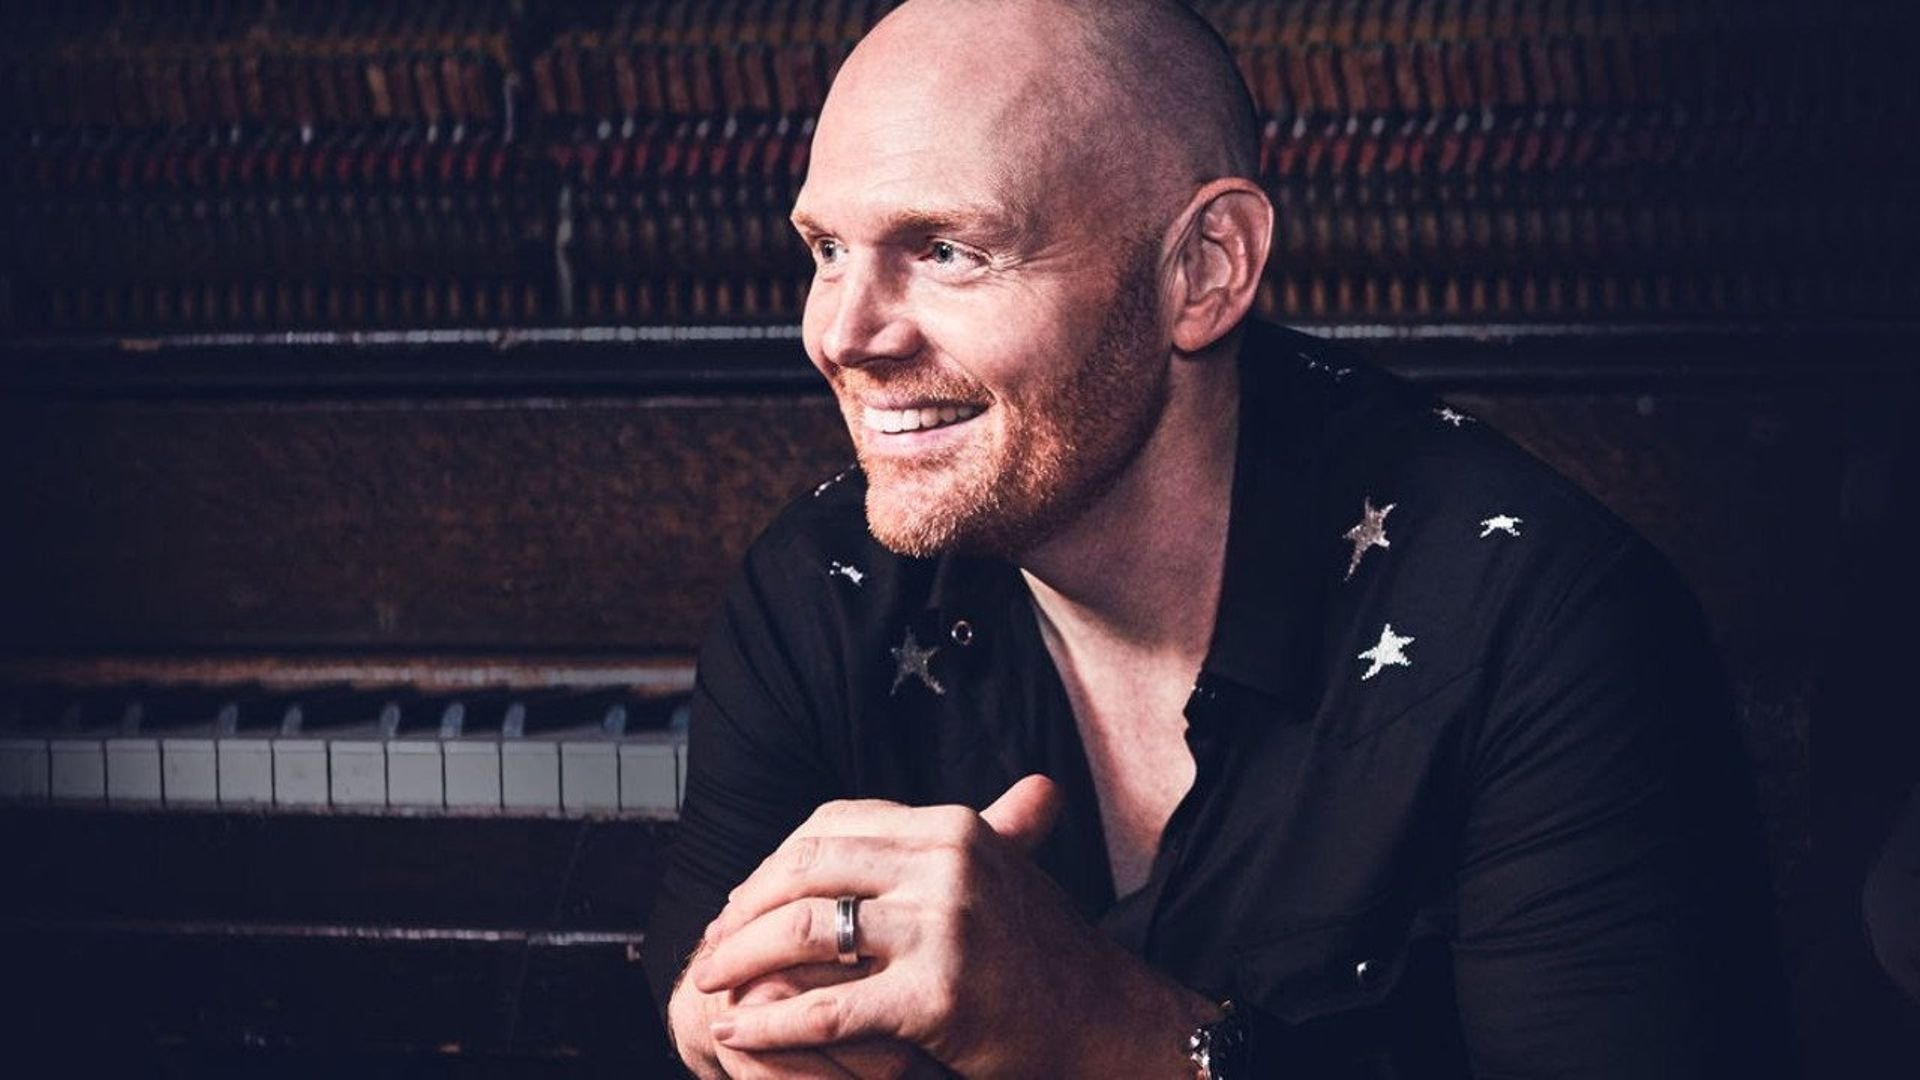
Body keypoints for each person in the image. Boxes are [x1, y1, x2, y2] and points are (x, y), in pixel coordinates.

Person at [643, 0, 1793, 1075]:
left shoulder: (1543, 623)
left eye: (946, 250)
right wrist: (730, 1033)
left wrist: (1107, 1030)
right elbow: (699, 1004)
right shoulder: (818, 587)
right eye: (826, 250)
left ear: (1204, 269)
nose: (842, 334)